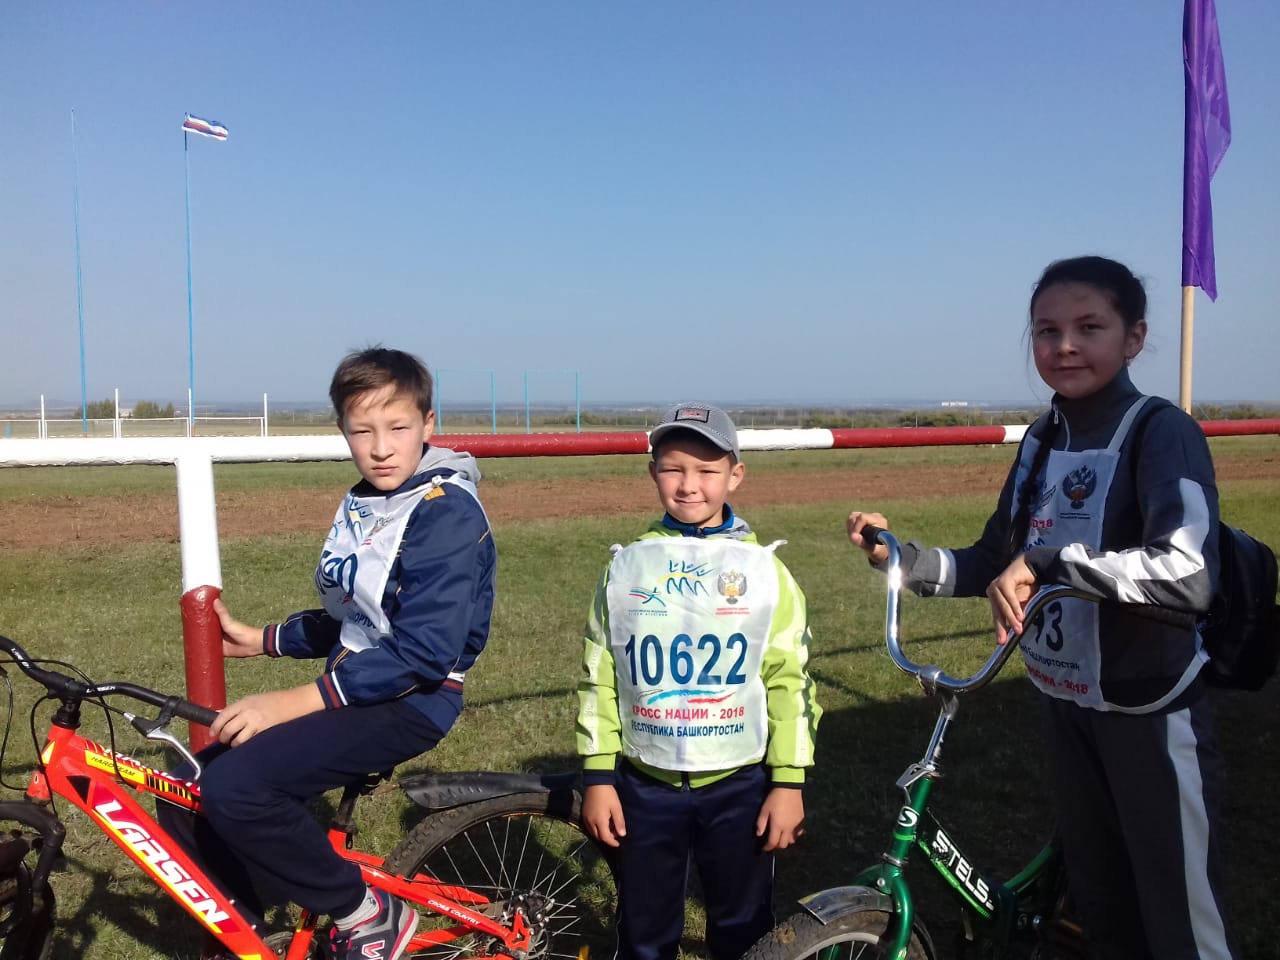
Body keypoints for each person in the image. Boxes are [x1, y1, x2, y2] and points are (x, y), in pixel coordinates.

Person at [847, 256, 1237, 960]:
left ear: (1134, 337)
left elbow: (1188, 574)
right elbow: (996, 559)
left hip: (1148, 712)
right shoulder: (1040, 439)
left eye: (1090, 327)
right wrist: (900, 559)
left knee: (1180, 919)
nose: (1064, 346)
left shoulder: (1161, 431)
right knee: (1102, 909)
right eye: (1046, 330)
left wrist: (1052, 562)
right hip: (1065, 704)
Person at [159, 346, 497, 960]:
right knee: (183, 784)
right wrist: (264, 639)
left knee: (235, 789)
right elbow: (357, 615)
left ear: (428, 424)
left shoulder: (442, 512)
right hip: (360, 688)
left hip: (414, 701)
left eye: (398, 427)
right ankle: (242, 937)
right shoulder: (368, 499)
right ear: (343, 430)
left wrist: (292, 701)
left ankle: (368, 914)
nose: (381, 447)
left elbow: (423, 651)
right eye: (362, 431)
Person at [576, 402, 821, 960]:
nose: (689, 485)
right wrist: (598, 776)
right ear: (653, 472)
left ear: (736, 475)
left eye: (708, 471)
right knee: (644, 932)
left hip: (739, 784)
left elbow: (790, 680)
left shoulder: (765, 572)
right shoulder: (626, 567)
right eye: (673, 468)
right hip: (645, 784)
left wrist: (788, 782)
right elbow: (599, 674)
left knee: (743, 929)